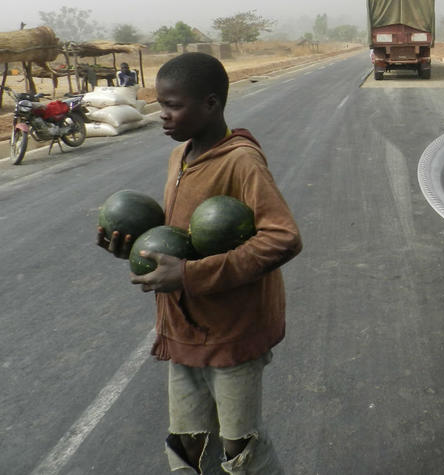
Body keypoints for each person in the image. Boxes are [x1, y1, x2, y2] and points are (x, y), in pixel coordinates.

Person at [98, 52, 302, 474]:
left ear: (210, 104)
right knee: (187, 443)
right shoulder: (182, 155)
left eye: (173, 106)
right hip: (185, 328)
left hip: (231, 331)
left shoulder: (241, 160)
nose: (163, 115)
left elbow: (283, 238)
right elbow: (180, 236)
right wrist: (135, 248)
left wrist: (189, 274)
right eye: (160, 105)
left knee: (238, 450)